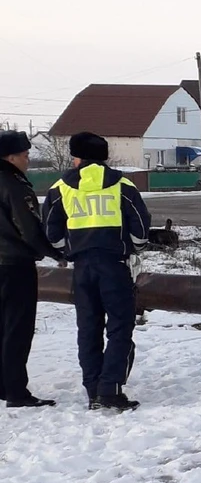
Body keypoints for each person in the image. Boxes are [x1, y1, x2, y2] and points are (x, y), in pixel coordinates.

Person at [43, 132, 151, 411]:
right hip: (114, 266)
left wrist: (66, 249)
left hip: (82, 269)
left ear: (76, 157)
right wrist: (132, 246)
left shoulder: (60, 188)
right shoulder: (122, 185)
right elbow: (140, 226)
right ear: (104, 157)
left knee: (88, 328)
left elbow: (50, 231)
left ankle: (93, 390)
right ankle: (111, 389)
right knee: (119, 326)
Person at [0, 130, 61, 408]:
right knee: (17, 329)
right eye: (25, 156)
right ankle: (16, 392)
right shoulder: (14, 184)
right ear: (10, 157)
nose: (27, 161)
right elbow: (29, 228)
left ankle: (4, 385)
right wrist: (55, 252)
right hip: (14, 265)